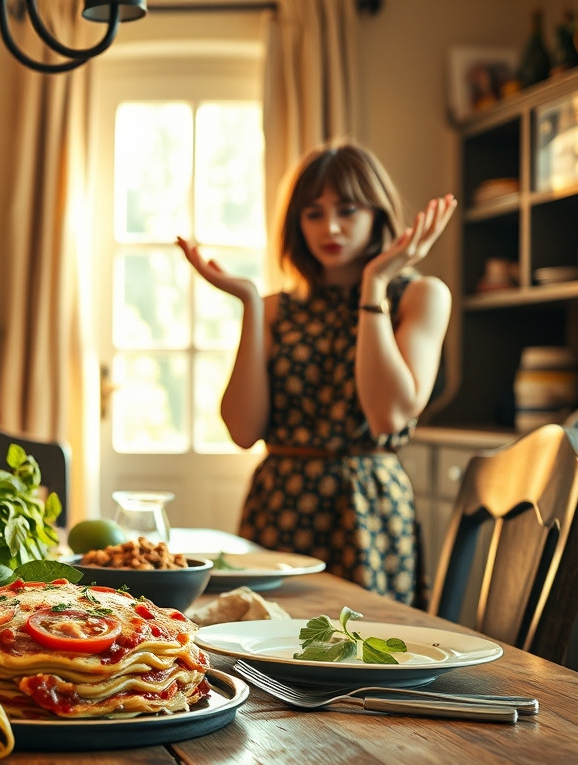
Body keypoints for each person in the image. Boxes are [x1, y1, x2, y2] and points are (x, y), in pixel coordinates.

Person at [175, 141, 455, 605]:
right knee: (261, 637)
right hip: (279, 502)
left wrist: (374, 285)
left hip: (367, 508)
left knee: (368, 640)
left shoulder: (419, 296)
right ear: (296, 223)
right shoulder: (273, 309)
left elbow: (388, 415)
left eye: (348, 210)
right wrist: (250, 302)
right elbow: (243, 431)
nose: (330, 228)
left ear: (377, 214)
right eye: (313, 213)